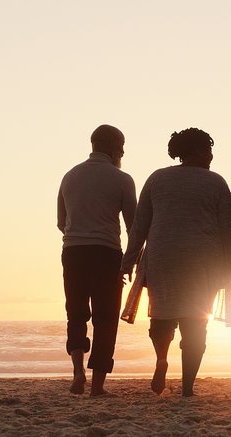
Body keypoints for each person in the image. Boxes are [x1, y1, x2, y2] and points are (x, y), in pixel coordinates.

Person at [121, 128, 231, 397]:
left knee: (162, 317)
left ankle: (161, 359)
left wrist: (128, 261)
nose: (211, 155)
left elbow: (140, 226)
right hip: (202, 261)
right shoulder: (216, 182)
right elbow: (227, 229)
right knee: (196, 324)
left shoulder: (157, 179)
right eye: (207, 149)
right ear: (195, 152)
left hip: (163, 257)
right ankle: (187, 388)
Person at [57, 124, 137, 396]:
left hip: (74, 251)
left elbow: (61, 221)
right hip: (106, 252)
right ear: (115, 148)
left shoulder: (70, 176)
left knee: (76, 312)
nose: (123, 152)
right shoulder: (122, 179)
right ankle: (98, 386)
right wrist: (132, 259)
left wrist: (80, 232)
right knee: (106, 318)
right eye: (122, 147)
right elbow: (133, 226)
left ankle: (78, 372)